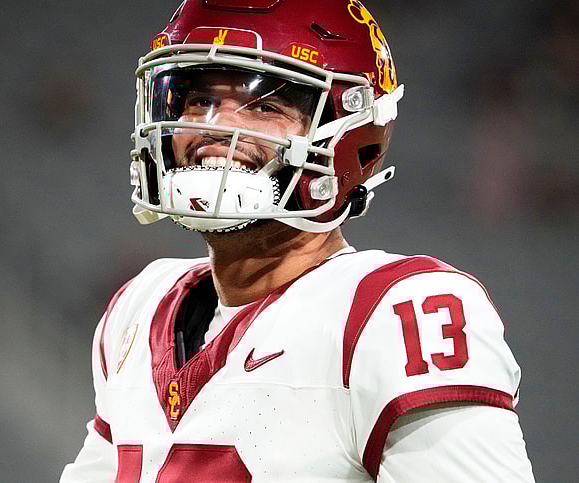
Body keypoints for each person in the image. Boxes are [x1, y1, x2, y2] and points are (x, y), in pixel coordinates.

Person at [61, 0, 535, 481]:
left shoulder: (396, 313)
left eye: (263, 106)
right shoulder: (138, 308)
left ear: (351, 135)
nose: (215, 126)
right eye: (199, 101)